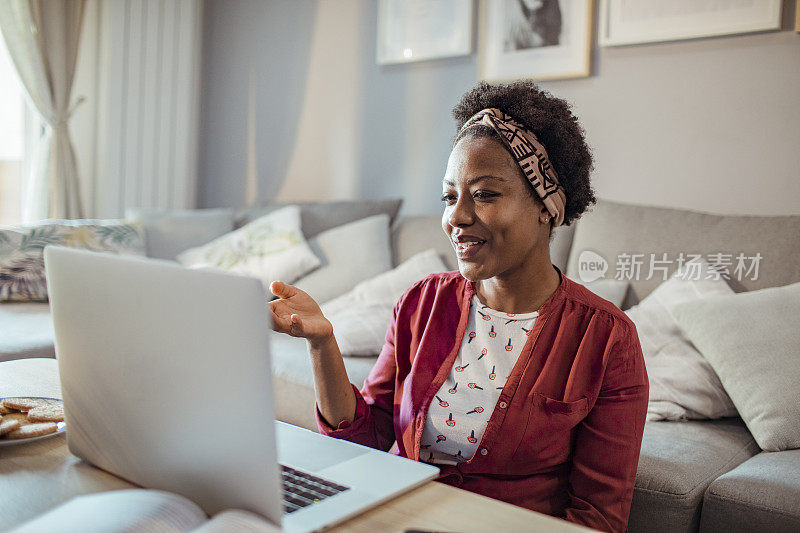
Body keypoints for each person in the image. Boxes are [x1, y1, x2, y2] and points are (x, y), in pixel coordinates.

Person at [269, 81, 648, 533]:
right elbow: (368, 438)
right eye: (450, 196)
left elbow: (598, 518)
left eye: (485, 194)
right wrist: (322, 343)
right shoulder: (421, 302)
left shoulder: (606, 338)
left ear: (548, 205)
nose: (456, 217)